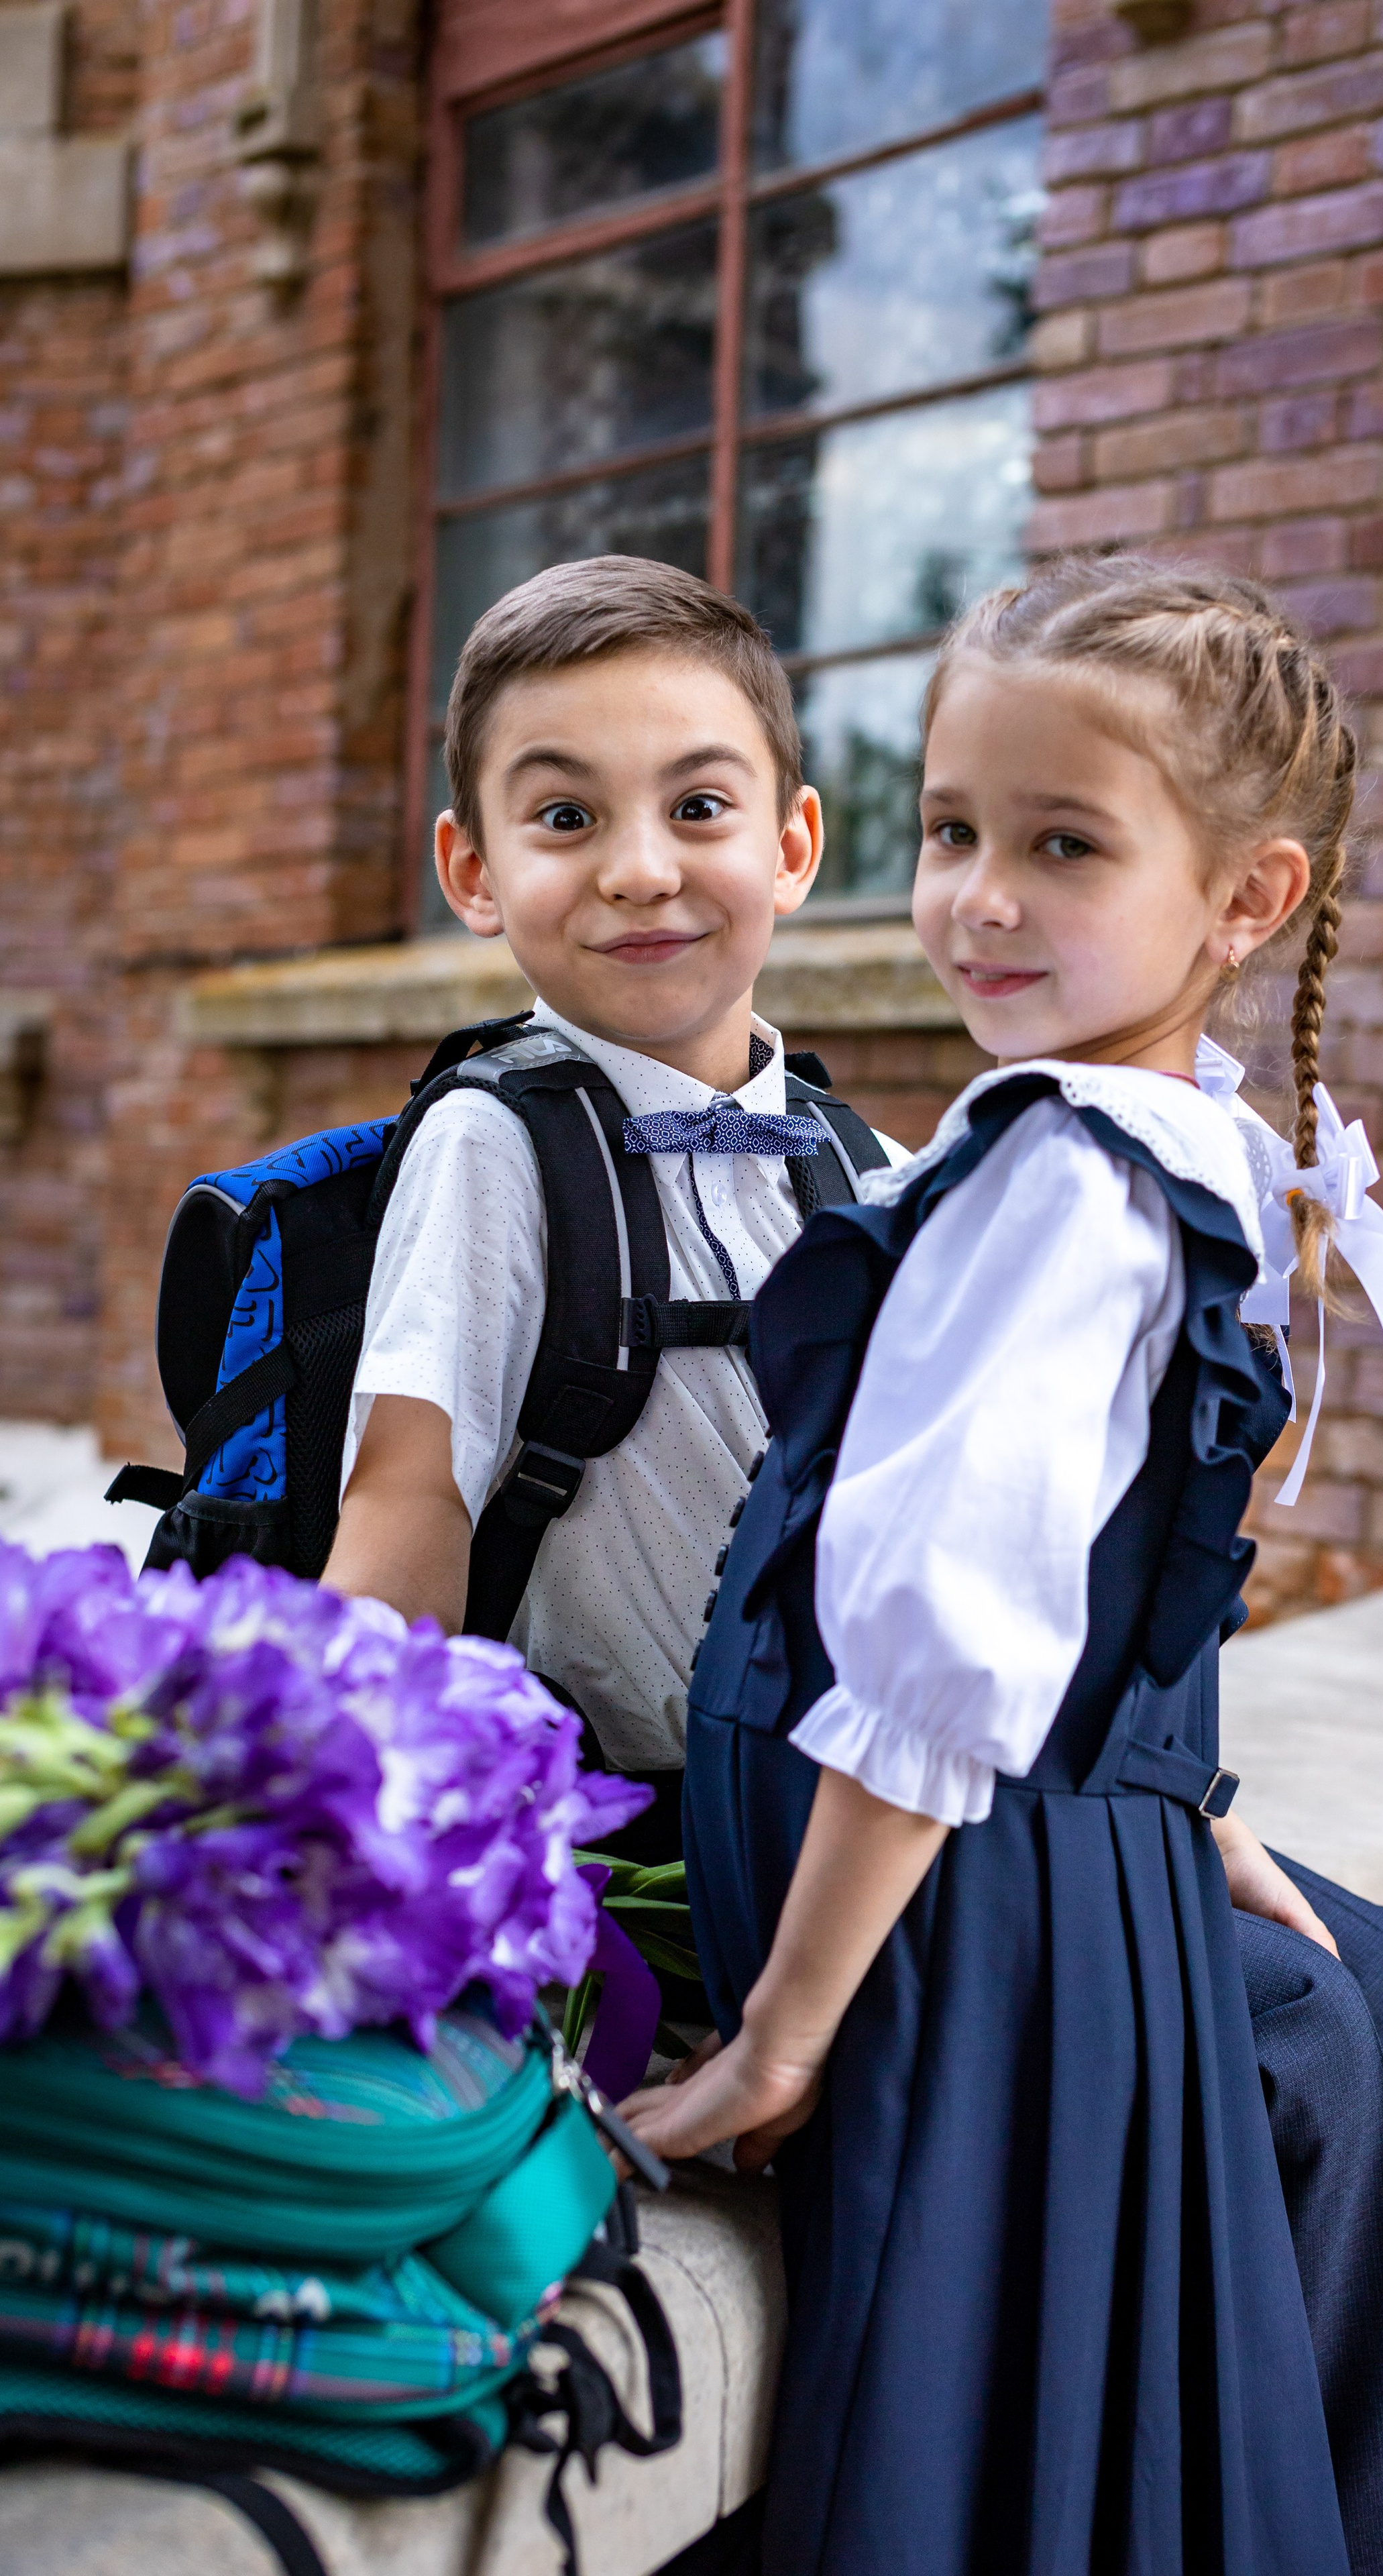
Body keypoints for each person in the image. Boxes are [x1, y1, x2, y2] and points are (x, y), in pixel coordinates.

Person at [624, 559, 1383, 2576]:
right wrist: (1188, 1807)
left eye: (1060, 845)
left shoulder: (1063, 1177)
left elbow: (948, 1651)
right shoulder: (1138, 1139)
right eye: (953, 829)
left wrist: (786, 2034)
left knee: (966, 2331)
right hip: (999, 1852)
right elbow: (1116, 1573)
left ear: (1246, 899)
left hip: (913, 1895)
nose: (979, 895)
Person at [321, 557, 907, 1847]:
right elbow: (409, 1504)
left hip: (858, 1836)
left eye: (699, 805)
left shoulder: (870, 1170)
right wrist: (346, 1839)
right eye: (567, 819)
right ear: (472, 872)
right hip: (631, 1855)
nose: (641, 870)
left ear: (793, 845)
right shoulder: (494, 1144)